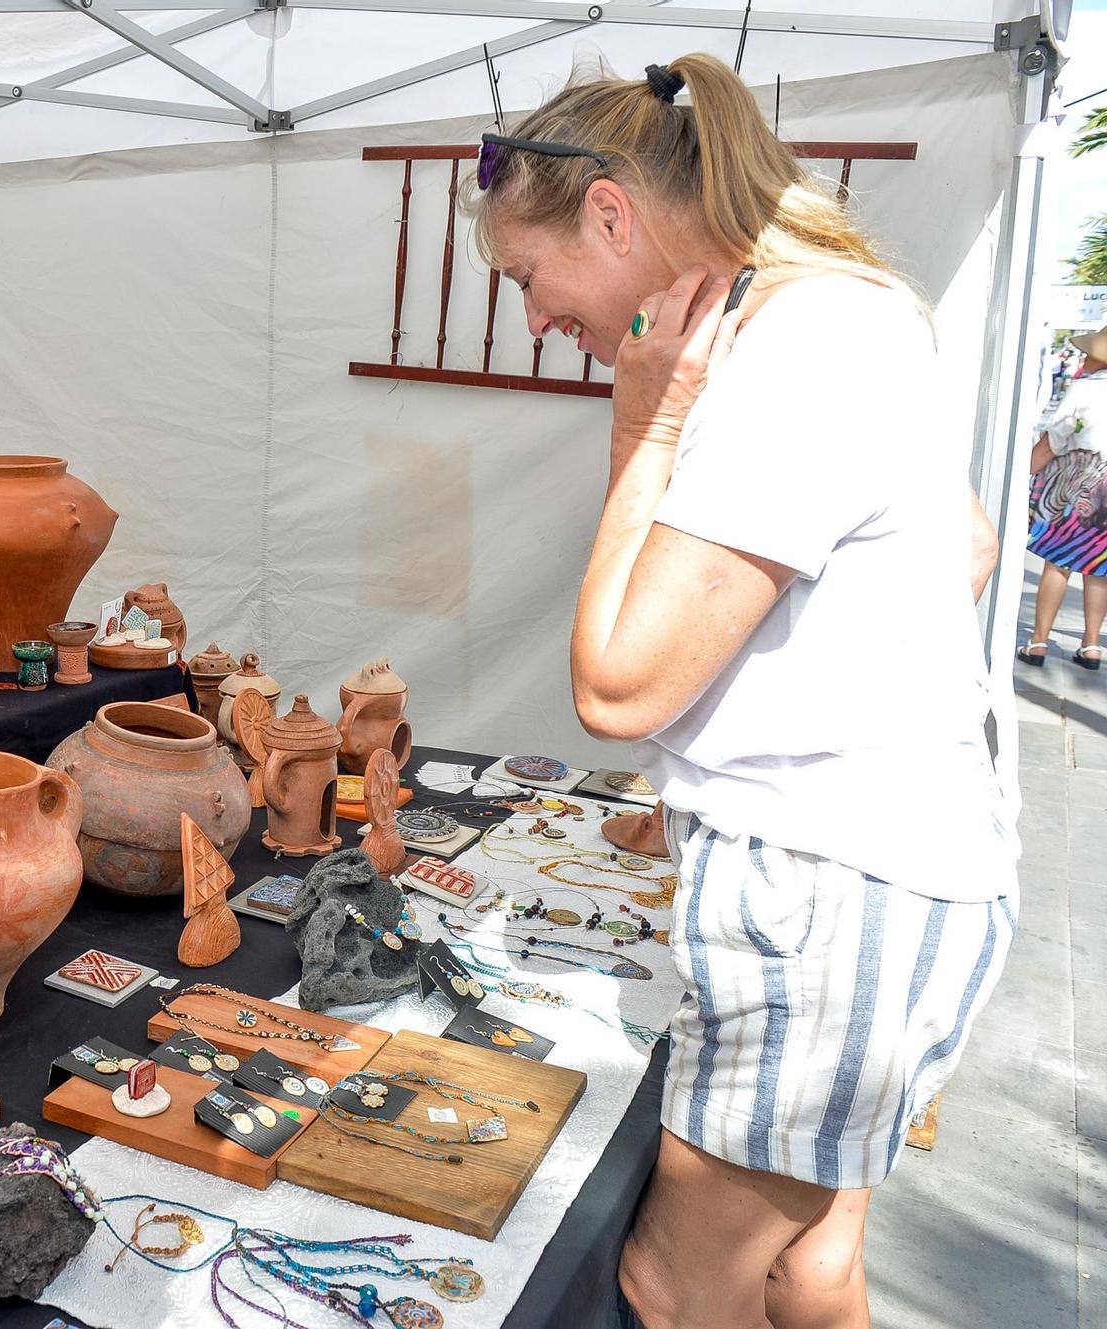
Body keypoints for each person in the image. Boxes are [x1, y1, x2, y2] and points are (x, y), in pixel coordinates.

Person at [471, 55, 1015, 1329]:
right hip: (886, 878)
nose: (536, 317)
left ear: (608, 216)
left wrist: (640, 429)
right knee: (805, 1266)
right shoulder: (846, 313)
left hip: (831, 896)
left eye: (526, 279)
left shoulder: (795, 349)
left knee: (672, 1283)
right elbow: (971, 549)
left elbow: (615, 689)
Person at [1017, 326, 1107, 669]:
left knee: (1059, 560)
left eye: (1091, 351)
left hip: (1079, 480)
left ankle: (1038, 641)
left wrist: (1022, 472)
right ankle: (1092, 645)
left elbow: (1056, 438)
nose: (1084, 356)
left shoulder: (1085, 389)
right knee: (1099, 567)